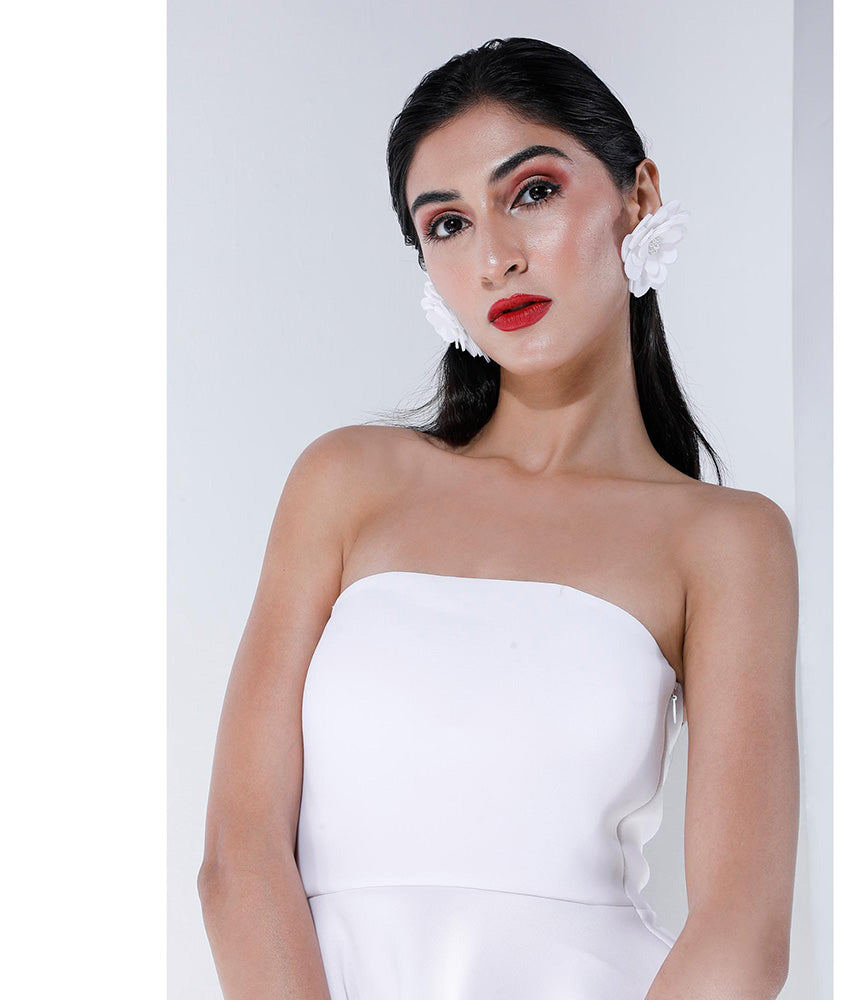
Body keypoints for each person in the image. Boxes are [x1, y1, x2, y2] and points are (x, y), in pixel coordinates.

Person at [197, 36, 800, 1000]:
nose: (494, 258)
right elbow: (239, 855)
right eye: (447, 224)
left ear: (639, 197)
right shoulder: (348, 482)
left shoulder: (725, 541)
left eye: (533, 192)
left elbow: (741, 931)